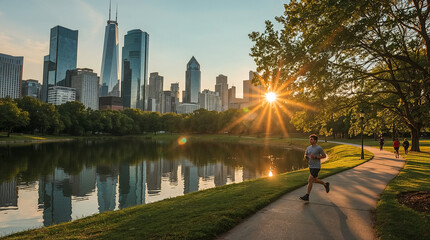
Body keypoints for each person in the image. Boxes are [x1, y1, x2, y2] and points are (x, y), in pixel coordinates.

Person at [300, 134, 330, 201]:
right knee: (315, 180)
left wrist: (316, 157)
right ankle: (325, 184)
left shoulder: (318, 148)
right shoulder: (308, 148)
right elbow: (306, 154)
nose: (310, 140)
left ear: (315, 141)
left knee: (310, 179)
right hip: (311, 166)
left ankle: (307, 196)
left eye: (311, 139)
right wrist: (306, 157)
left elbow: (324, 156)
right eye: (310, 139)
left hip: (316, 167)